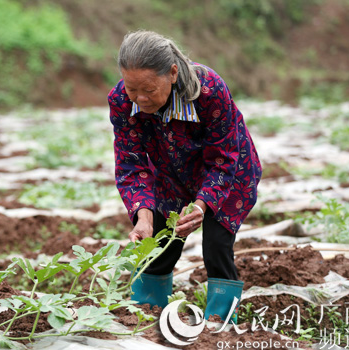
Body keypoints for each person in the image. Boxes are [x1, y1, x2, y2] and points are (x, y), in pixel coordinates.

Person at [108, 30, 262, 323]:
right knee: (160, 241)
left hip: (226, 171)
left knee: (216, 243)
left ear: (173, 73)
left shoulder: (208, 91)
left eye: (149, 90)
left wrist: (202, 206)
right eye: (131, 89)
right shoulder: (120, 101)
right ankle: (145, 313)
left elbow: (222, 159)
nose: (139, 99)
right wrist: (143, 214)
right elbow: (130, 162)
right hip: (169, 173)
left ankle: (220, 320)